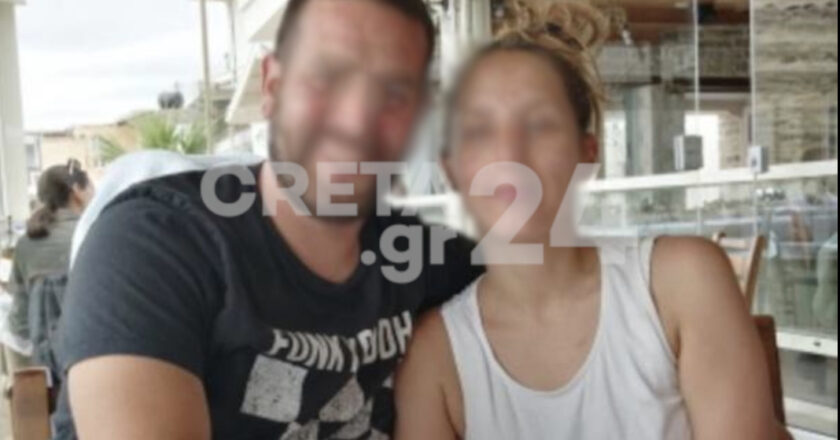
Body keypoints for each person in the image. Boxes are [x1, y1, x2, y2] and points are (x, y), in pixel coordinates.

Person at [53, 0, 481, 439]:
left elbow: (522, 284)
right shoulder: (154, 248)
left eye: (393, 93)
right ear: (272, 87)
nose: (356, 120)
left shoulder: (416, 256)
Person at [395, 2, 781, 439]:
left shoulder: (679, 284)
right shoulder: (435, 357)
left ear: (588, 153)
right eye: (480, 130)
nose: (509, 155)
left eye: (539, 124)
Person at [6, 159, 93, 370]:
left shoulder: (26, 241)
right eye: (91, 187)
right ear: (77, 191)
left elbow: (19, 311)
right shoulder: (94, 233)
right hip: (87, 349)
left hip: (38, 355)